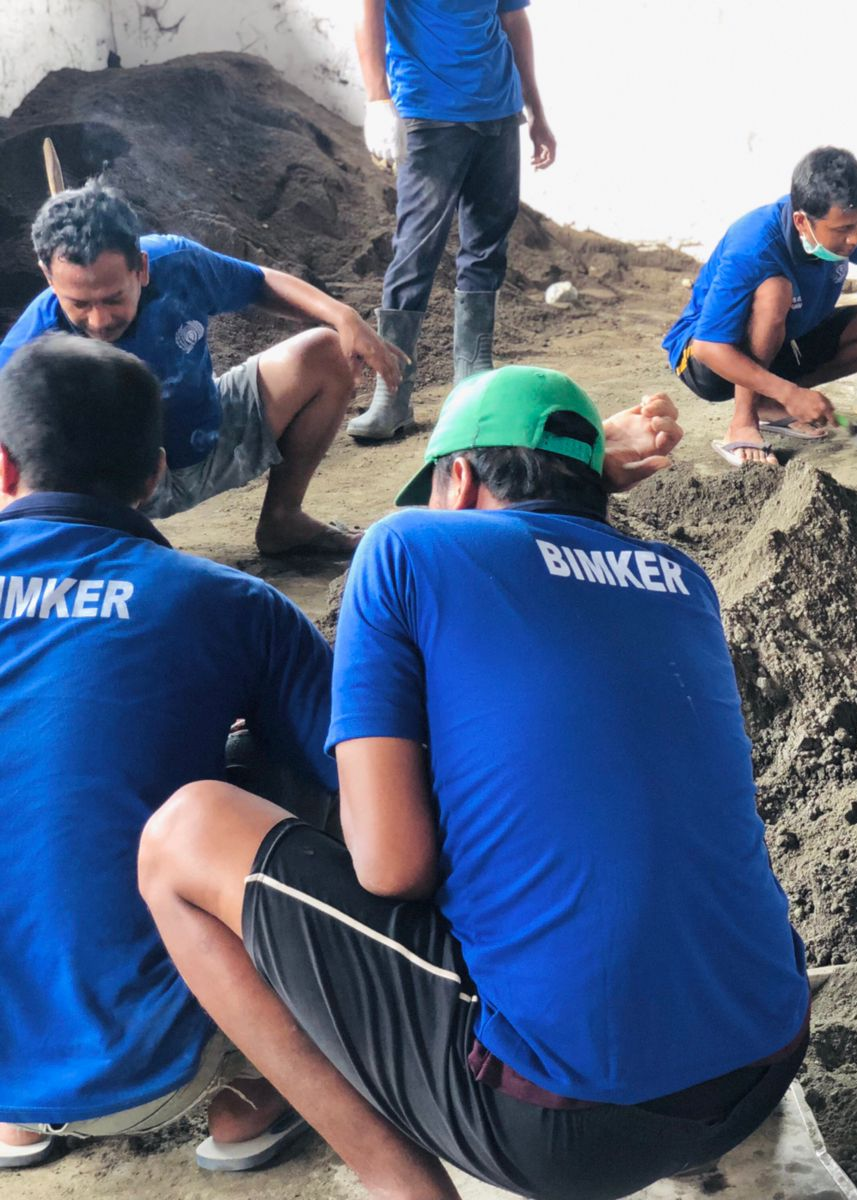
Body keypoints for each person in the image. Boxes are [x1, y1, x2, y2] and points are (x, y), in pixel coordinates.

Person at [138, 366, 811, 1200]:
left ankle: (402, 1186)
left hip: (564, 1129)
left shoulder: (407, 545)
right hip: (766, 1061)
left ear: (455, 479)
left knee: (184, 831)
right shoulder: (682, 580)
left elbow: (394, 869)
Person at [0, 337, 337, 1173]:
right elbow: (365, 776)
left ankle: (17, 1114)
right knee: (291, 755)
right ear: (154, 473)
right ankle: (253, 1084)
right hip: (151, 1070)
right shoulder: (231, 603)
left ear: (4, 469)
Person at [0, 183, 402, 557]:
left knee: (325, 353)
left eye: (113, 298)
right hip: (112, 490)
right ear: (48, 277)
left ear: (141, 267)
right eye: (80, 304)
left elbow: (260, 283)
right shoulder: (30, 351)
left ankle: (283, 520)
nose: (100, 320)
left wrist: (342, 315)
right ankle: (106, 555)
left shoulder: (176, 264)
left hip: (211, 438)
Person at [350, 0, 557, 440]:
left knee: (486, 247)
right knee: (415, 252)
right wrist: (377, 100)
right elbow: (368, 13)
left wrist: (536, 111)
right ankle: (392, 396)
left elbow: (514, 20)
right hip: (430, 111)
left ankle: (471, 382)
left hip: (499, 112)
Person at [662, 146, 857, 468]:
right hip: (708, 361)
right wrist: (790, 393)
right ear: (801, 221)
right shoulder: (753, 245)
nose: (855, 239)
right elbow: (709, 348)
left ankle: (771, 402)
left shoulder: (850, 220)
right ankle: (743, 421)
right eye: (842, 230)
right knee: (775, 290)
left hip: (786, 339)